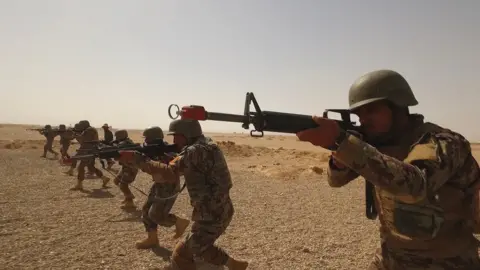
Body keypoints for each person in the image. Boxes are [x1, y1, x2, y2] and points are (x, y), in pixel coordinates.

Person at [296, 69, 480, 269]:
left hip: (445, 261)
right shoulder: (376, 142)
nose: (364, 119)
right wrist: (339, 158)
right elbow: (335, 181)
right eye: (359, 114)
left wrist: (343, 143)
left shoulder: (443, 143)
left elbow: (413, 186)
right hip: (391, 256)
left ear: (398, 107)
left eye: (372, 110)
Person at [117, 120, 249, 270]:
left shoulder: (194, 151)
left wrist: (137, 158)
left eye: (177, 136)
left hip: (212, 213)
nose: (173, 141)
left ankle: (230, 265)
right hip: (217, 209)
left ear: (187, 134)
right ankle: (235, 265)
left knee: (183, 255)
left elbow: (169, 173)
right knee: (198, 246)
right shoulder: (207, 145)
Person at [127, 126, 190, 250]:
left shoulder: (167, 152)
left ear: (153, 139)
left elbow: (172, 170)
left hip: (169, 186)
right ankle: (152, 239)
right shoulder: (152, 150)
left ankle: (179, 222)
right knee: (146, 211)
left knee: (156, 215)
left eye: (147, 139)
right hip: (159, 184)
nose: (145, 141)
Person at [70, 125, 110, 190]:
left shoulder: (88, 130)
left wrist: (75, 135)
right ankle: (104, 178)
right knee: (91, 167)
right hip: (90, 150)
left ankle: (79, 185)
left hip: (88, 151)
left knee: (81, 167)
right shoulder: (90, 130)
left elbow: (85, 140)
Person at [111, 129, 139, 209]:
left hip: (130, 167)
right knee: (116, 181)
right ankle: (128, 197)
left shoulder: (124, 144)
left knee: (123, 185)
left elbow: (117, 157)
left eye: (117, 136)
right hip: (126, 166)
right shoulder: (127, 142)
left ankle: (130, 203)